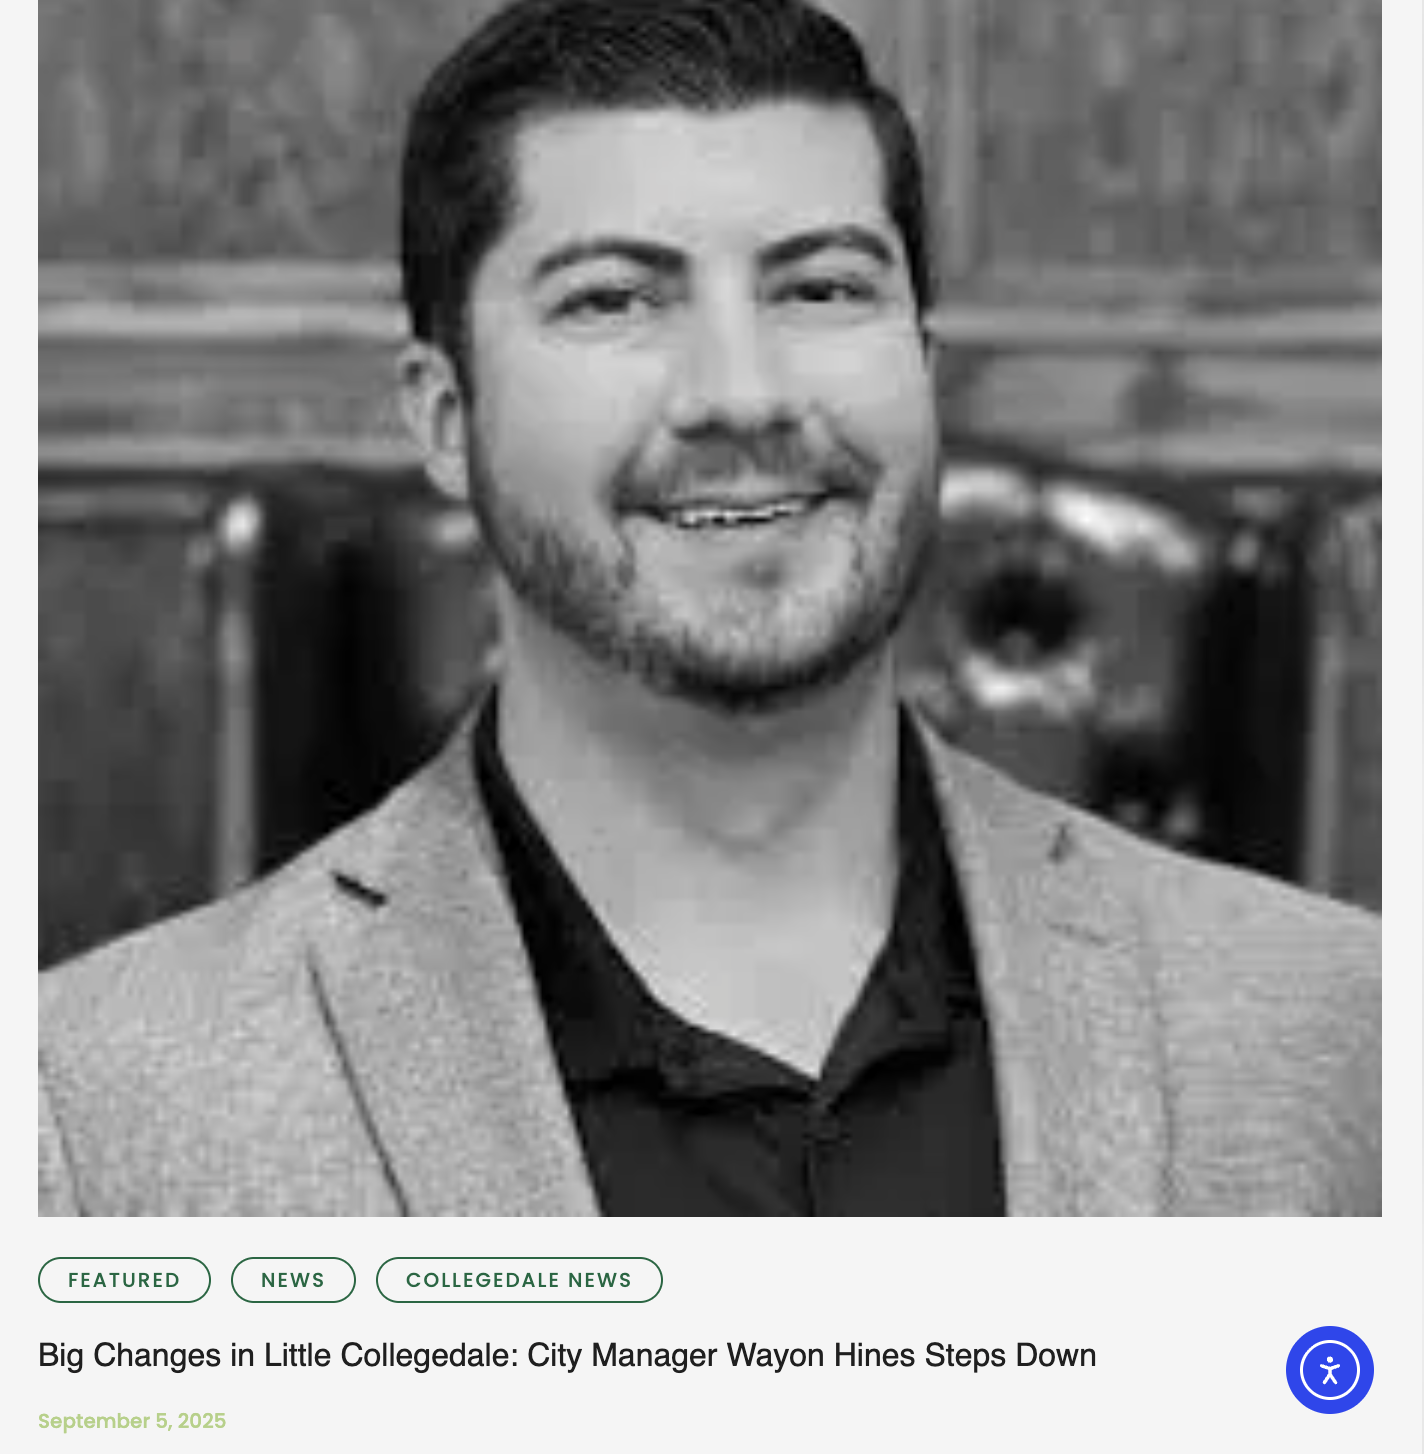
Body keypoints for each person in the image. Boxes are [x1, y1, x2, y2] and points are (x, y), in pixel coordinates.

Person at [39, 0, 1379, 1217]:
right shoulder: (95, 1111)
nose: (741, 391)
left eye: (822, 287)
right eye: (614, 297)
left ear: (920, 365)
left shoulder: (1344, 1031)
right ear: (446, 418)